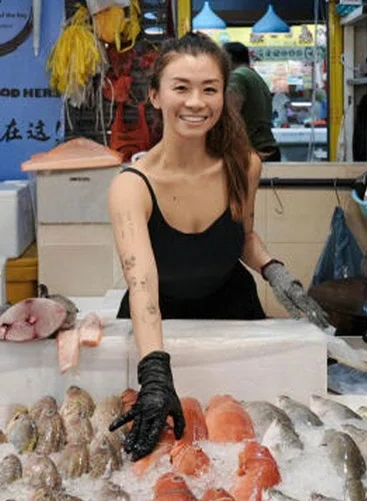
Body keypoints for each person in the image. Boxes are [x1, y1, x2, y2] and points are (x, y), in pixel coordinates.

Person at [106, 33, 329, 461]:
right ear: (155, 95)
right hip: (160, 327)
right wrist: (155, 371)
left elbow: (242, 237)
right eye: (181, 88)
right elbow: (142, 284)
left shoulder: (244, 165)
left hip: (235, 316)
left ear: (224, 96)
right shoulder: (131, 186)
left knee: (249, 447)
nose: (196, 102)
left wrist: (274, 271)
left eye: (209, 89)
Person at [222, 41, 282, 162]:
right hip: (268, 147)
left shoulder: (237, 77)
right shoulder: (255, 76)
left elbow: (231, 115)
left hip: (252, 151)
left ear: (229, 58)